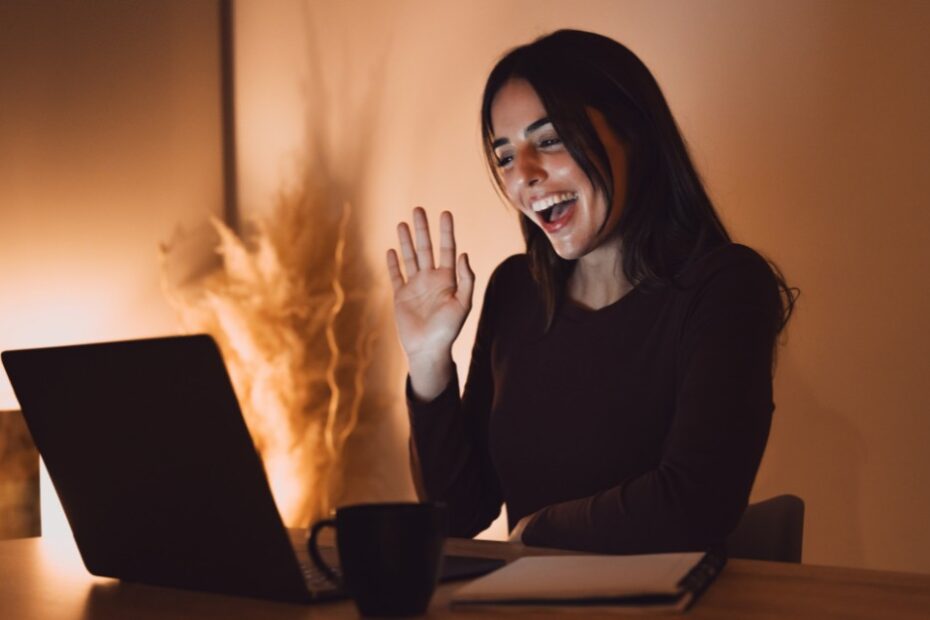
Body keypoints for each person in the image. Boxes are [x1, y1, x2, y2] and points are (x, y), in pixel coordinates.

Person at [385, 29, 796, 554]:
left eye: (550, 140)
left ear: (634, 134)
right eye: (505, 156)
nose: (525, 177)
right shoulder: (515, 290)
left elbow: (698, 502)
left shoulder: (726, 287)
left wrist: (538, 533)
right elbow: (458, 515)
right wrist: (427, 363)